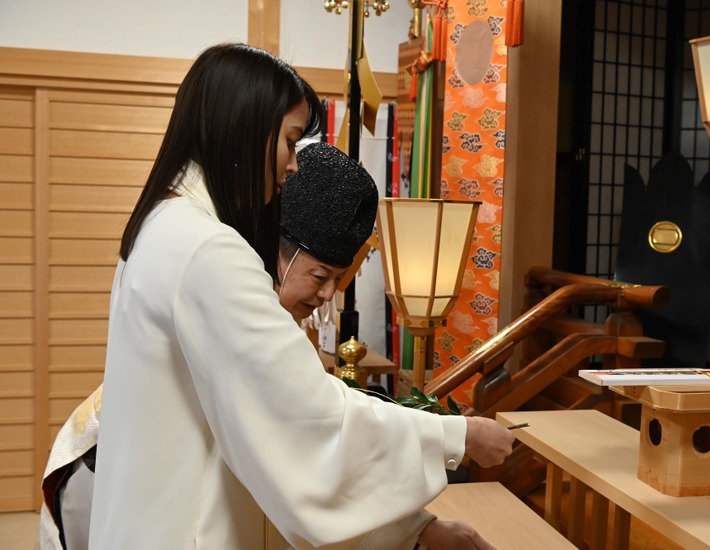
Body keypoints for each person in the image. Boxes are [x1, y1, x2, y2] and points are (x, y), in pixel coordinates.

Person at [88, 43, 513, 549]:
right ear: (244, 130)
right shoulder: (208, 250)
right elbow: (307, 419)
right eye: (290, 141)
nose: (293, 166)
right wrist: (454, 438)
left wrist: (413, 529)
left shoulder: (164, 223)